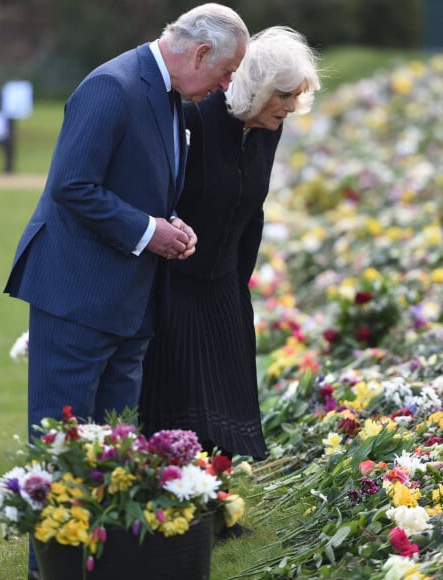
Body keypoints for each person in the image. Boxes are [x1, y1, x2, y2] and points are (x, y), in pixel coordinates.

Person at [3, 4, 248, 578]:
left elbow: (141, 184)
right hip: (78, 294)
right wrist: (148, 231)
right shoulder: (111, 86)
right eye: (227, 70)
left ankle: (106, 559)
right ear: (201, 53)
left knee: (114, 445)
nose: (227, 84)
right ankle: (53, 568)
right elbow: (71, 185)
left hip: (130, 300)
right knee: (63, 442)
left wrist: (170, 226)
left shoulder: (170, 95)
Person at [139, 26, 320, 462]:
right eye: (284, 96)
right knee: (176, 397)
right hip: (174, 280)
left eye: (296, 96)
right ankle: (176, 500)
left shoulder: (267, 129)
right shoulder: (196, 118)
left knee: (224, 399)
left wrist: (239, 283)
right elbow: (158, 198)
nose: (292, 107)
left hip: (224, 283)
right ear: (256, 89)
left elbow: (251, 210)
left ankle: (213, 494)